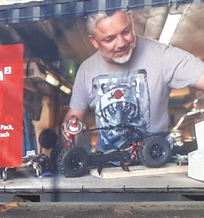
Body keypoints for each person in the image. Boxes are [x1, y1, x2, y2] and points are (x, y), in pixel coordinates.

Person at [66, 9, 204, 146]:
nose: (121, 43)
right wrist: (72, 127)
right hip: (107, 165)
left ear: (131, 21)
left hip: (156, 160)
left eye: (125, 32)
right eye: (110, 39)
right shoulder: (86, 70)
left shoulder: (162, 57)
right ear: (94, 41)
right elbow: (73, 118)